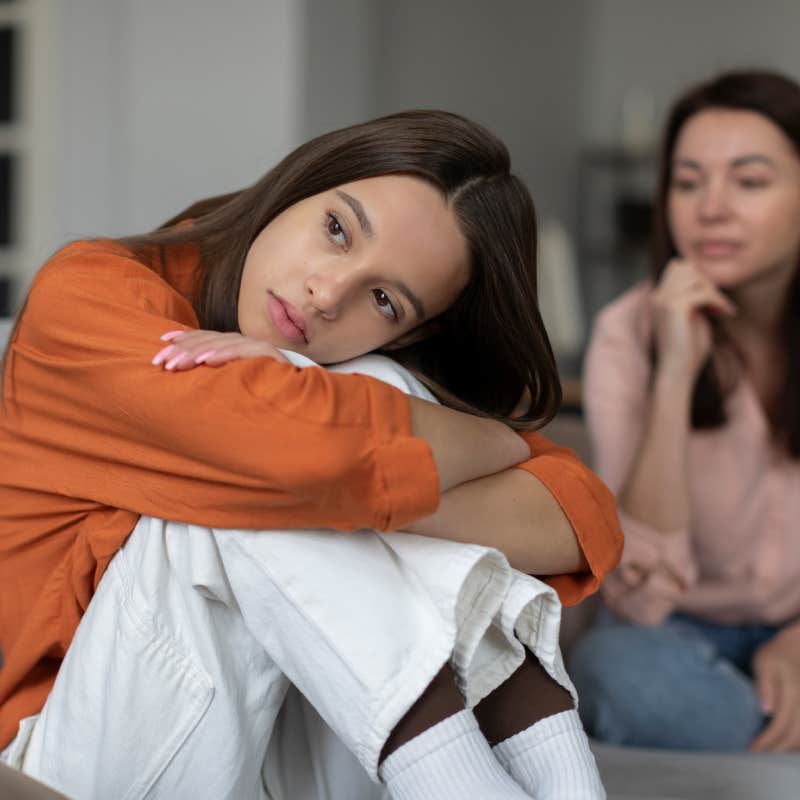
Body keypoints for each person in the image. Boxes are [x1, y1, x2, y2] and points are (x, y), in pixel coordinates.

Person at [0, 110, 621, 798]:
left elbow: (582, 515)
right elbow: (302, 459)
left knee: (354, 398)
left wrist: (365, 480)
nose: (326, 294)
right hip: (83, 750)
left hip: (276, 748)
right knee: (250, 485)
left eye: (384, 299)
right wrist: (487, 443)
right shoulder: (86, 293)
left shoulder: (364, 367)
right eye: (336, 229)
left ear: (419, 326)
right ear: (302, 183)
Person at [570, 70, 800, 753]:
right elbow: (639, 598)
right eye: (688, 180)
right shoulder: (626, 331)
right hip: (673, 634)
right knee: (619, 675)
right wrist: (674, 373)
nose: (711, 208)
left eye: (750, 182)